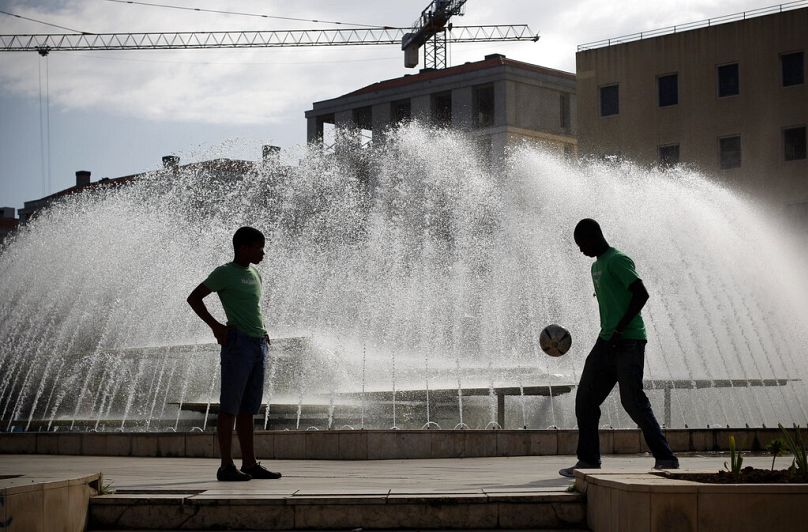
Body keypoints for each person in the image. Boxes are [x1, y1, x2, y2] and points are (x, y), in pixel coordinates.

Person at [559, 219, 678, 478]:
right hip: (607, 341)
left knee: (632, 400)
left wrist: (620, 330)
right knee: (586, 399)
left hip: (629, 341)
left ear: (594, 237)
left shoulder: (618, 260)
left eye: (582, 244)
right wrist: (610, 334)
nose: (581, 250)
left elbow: (641, 293)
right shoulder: (596, 266)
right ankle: (588, 460)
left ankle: (666, 457)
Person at [187, 226, 282, 482]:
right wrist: (216, 326)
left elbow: (253, 307)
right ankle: (226, 465)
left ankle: (249, 464)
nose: (263, 252)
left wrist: (263, 333)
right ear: (243, 247)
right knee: (230, 406)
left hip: (258, 343)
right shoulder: (224, 273)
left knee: (248, 409)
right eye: (258, 247)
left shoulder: (256, 273)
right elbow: (194, 298)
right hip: (237, 344)